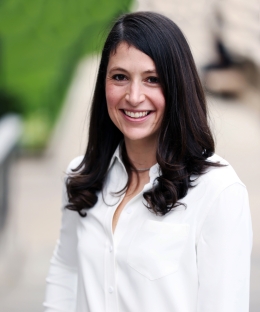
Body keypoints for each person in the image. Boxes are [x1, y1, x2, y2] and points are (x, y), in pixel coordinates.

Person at [43, 11, 252, 312]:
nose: (134, 96)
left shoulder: (218, 191)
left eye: (152, 79)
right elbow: (65, 273)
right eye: (120, 77)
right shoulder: (83, 177)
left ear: (177, 87)